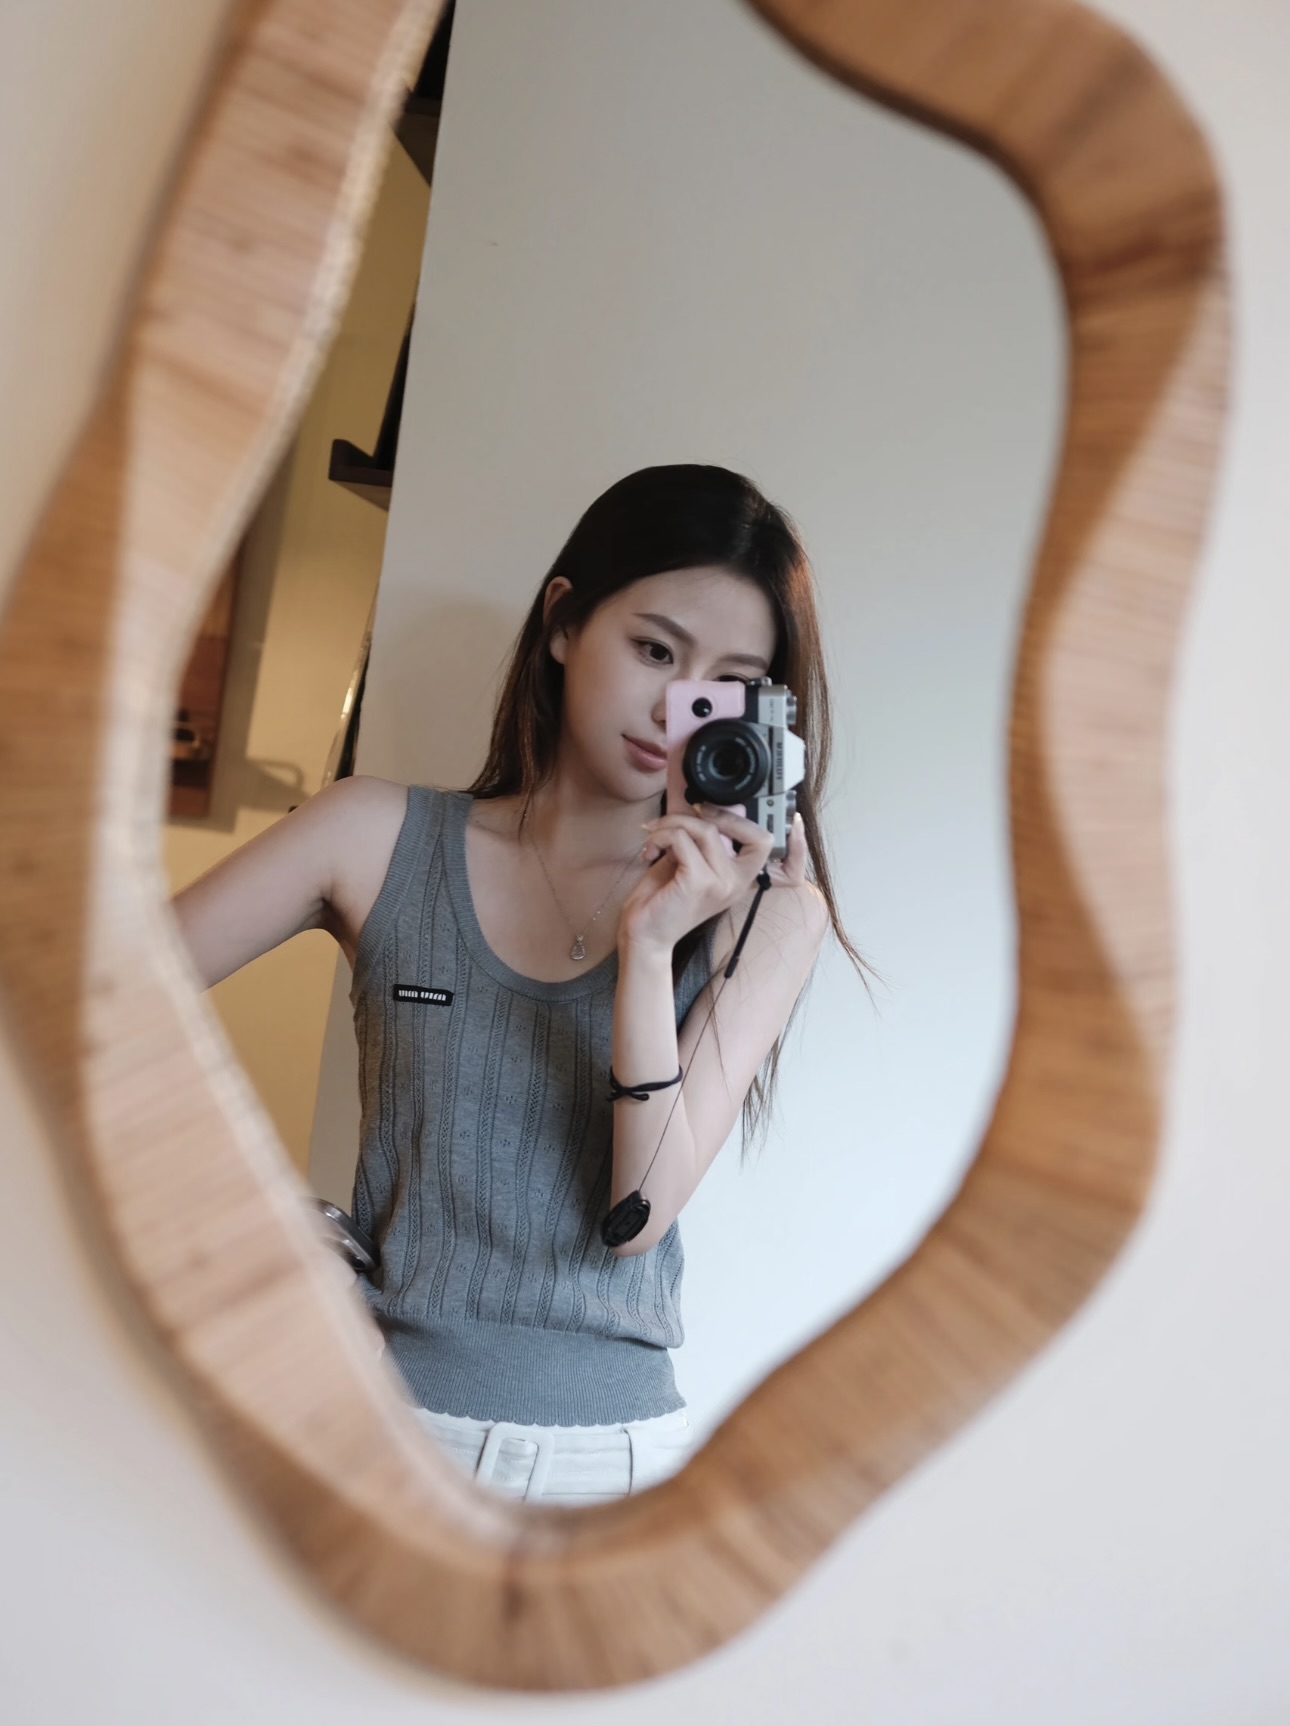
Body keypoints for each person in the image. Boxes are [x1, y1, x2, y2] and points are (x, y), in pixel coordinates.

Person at [172, 463, 863, 1506]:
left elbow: (636, 1211)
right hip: (381, 1431)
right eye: (654, 650)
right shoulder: (372, 836)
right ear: (563, 623)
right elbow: (86, 999)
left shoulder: (769, 913)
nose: (674, 708)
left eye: (723, 685)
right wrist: (256, 1217)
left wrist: (652, 945)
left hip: (612, 1464)